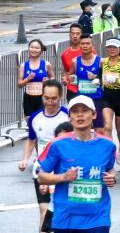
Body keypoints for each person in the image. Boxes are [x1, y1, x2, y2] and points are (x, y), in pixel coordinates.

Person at [37, 95, 117, 233]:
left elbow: (110, 169)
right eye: (75, 111)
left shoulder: (107, 145)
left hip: (98, 218)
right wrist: (63, 177)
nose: (80, 115)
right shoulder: (57, 144)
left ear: (93, 114)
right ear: (69, 117)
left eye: (84, 110)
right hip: (66, 218)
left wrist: (112, 177)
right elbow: (41, 177)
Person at [18, 79, 70, 233]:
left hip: (64, 170)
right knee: (44, 213)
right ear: (42, 96)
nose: (50, 102)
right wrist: (25, 159)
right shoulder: (35, 118)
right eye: (46, 98)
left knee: (61, 214)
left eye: (54, 98)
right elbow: (31, 140)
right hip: (42, 170)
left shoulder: (68, 116)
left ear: (60, 96)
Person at [65, 34, 105, 132]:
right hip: (81, 99)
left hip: (97, 98)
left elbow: (105, 79)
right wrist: (66, 80)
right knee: (81, 127)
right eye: (83, 44)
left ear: (92, 45)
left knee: (99, 129)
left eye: (87, 43)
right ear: (79, 45)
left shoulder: (101, 61)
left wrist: (96, 78)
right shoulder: (75, 61)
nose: (85, 46)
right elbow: (69, 76)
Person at [18, 39, 54, 119]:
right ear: (28, 48)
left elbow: (53, 78)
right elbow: (19, 84)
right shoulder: (23, 65)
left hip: (43, 98)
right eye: (32, 47)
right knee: (30, 121)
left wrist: (48, 81)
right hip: (28, 98)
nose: (34, 50)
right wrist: (27, 79)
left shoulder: (46, 64)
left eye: (37, 48)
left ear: (41, 50)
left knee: (42, 120)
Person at [61, 24, 84, 101]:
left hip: (86, 89)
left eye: (77, 34)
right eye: (73, 33)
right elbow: (66, 70)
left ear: (81, 35)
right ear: (69, 35)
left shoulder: (89, 51)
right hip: (71, 90)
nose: (75, 36)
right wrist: (64, 78)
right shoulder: (65, 54)